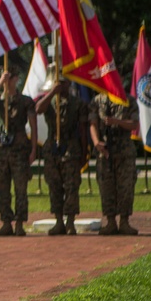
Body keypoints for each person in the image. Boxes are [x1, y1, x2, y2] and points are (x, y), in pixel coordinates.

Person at [0, 65, 37, 236]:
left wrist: (33, 150)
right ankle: (6, 222)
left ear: (16, 79)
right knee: (1, 188)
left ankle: (20, 223)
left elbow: (33, 126)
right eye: (5, 77)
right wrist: (0, 82)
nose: (8, 81)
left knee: (20, 188)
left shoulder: (26, 101)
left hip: (19, 150)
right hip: (1, 151)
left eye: (10, 77)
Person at [35, 75, 88, 235]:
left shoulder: (77, 103)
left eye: (64, 83)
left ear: (69, 83)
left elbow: (83, 129)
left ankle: (70, 221)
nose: (61, 85)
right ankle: (58, 221)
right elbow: (38, 109)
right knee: (54, 186)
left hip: (71, 148)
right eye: (58, 82)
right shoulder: (49, 101)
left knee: (71, 186)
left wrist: (84, 152)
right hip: (52, 149)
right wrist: (52, 92)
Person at [89, 90, 139, 235]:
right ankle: (110, 222)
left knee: (126, 186)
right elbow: (93, 124)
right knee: (106, 186)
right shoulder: (97, 101)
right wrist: (96, 142)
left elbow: (134, 124)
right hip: (105, 152)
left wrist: (117, 122)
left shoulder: (129, 100)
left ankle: (124, 222)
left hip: (124, 152)